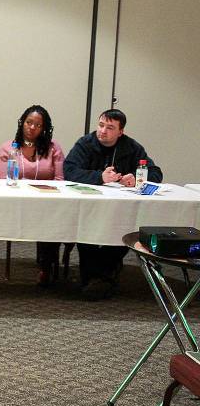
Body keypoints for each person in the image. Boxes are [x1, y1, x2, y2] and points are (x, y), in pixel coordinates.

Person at [64, 108, 163, 300]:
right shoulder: (85, 143)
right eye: (101, 125)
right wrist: (99, 177)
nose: (102, 131)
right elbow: (69, 170)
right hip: (89, 208)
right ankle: (102, 277)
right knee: (85, 232)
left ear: (120, 132)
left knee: (127, 231)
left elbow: (156, 172)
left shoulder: (131, 147)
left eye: (110, 128)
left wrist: (137, 178)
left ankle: (96, 277)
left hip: (120, 210)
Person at [0, 105, 66, 285]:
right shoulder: (9, 148)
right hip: (15, 204)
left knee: (53, 220)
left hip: (47, 205)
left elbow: (60, 179)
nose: (32, 127)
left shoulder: (53, 148)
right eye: (29, 122)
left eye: (38, 125)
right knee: (48, 220)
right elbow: (3, 180)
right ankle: (47, 265)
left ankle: (46, 268)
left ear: (44, 128)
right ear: (22, 123)